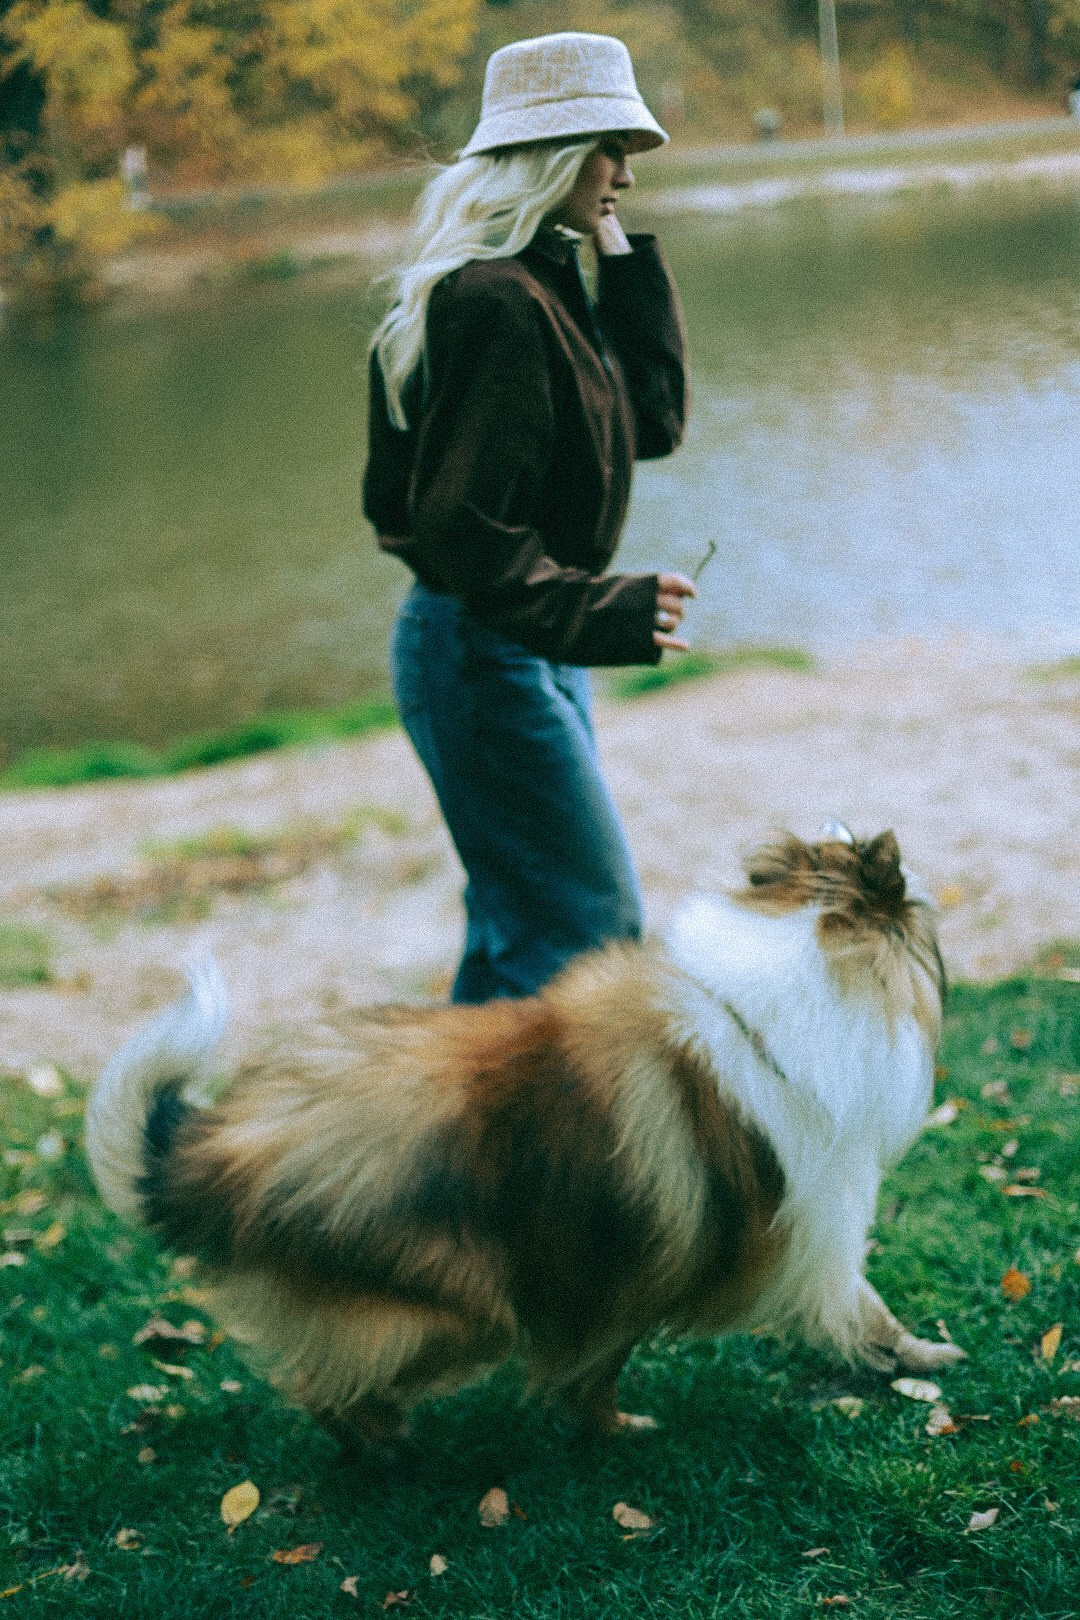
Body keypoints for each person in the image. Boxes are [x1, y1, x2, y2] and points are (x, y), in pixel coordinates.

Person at [363, 31, 694, 1004]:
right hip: (482, 650)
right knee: (583, 922)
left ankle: (448, 1106)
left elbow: (653, 422)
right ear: (555, 153)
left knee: (526, 923)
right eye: (611, 149)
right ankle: (488, 1109)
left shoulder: (539, 283)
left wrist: (619, 258)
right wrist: (606, 612)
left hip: (514, 642)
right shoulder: (498, 301)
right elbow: (468, 536)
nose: (627, 173)